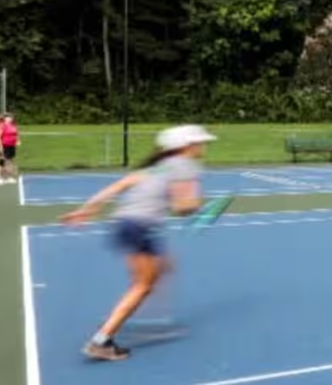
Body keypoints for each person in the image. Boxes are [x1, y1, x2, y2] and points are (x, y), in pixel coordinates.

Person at [61, 124, 216, 362]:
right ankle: (101, 341)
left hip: (125, 224)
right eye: (199, 142)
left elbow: (116, 187)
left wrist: (85, 210)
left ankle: (139, 317)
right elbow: (181, 208)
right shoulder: (186, 166)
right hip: (140, 228)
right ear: (186, 146)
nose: (203, 146)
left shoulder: (156, 168)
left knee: (162, 267)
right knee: (142, 286)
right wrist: (198, 205)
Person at [0, 113, 20, 185]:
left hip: (11, 146)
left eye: (11, 117)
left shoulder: (13, 125)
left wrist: (17, 141)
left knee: (10, 161)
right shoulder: (2, 125)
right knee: (2, 161)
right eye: (8, 118)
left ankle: (9, 177)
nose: (10, 119)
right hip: (3, 145)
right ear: (5, 119)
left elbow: (16, 134)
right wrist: (0, 146)